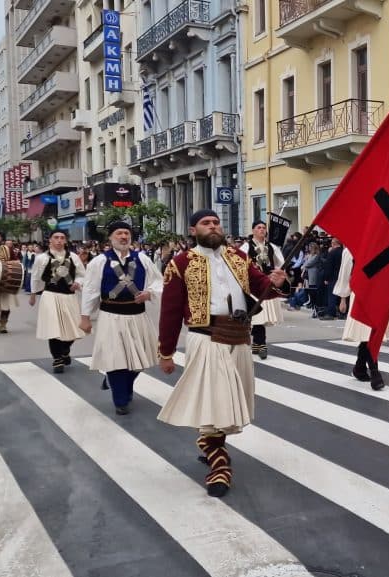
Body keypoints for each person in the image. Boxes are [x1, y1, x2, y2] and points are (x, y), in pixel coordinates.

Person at [157, 210, 290, 498]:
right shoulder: (180, 264)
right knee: (217, 400)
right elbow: (169, 312)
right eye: (206, 223)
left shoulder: (238, 258)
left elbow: (260, 288)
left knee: (228, 402)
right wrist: (166, 352)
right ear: (193, 230)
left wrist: (276, 283)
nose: (213, 227)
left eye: (216, 222)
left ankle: (211, 441)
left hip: (240, 337)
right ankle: (219, 464)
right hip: (207, 338)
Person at [80, 221, 163, 415]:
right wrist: (85, 317)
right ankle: (121, 399)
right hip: (111, 316)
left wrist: (149, 293)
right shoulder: (99, 261)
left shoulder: (142, 259)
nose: (124, 237)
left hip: (138, 316)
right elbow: (91, 290)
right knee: (115, 359)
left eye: (126, 233)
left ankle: (118, 382)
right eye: (119, 233)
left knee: (140, 360)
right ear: (110, 237)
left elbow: (159, 282)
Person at [29, 230, 86, 373]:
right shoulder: (42, 258)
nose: (59, 240)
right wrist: (33, 293)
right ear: (50, 240)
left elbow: (82, 275)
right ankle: (57, 359)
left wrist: (78, 283)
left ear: (66, 241)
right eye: (56, 237)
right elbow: (36, 276)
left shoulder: (73, 257)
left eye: (62, 238)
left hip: (69, 296)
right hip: (50, 295)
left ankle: (65, 349)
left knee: (73, 329)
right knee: (53, 329)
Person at [334, 247, 385, 390]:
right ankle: (374, 372)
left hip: (376, 293)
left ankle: (360, 367)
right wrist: (343, 298)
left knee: (370, 334)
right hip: (360, 294)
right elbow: (344, 275)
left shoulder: (377, 245)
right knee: (367, 334)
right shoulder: (350, 249)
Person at [239, 220, 285, 359]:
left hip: (267, 283)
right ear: (253, 230)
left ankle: (259, 344)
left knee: (262, 317)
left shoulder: (272, 247)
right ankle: (260, 344)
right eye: (259, 227)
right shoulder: (246, 247)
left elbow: (281, 263)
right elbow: (239, 264)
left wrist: (277, 274)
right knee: (256, 316)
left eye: (264, 228)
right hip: (253, 286)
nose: (262, 230)